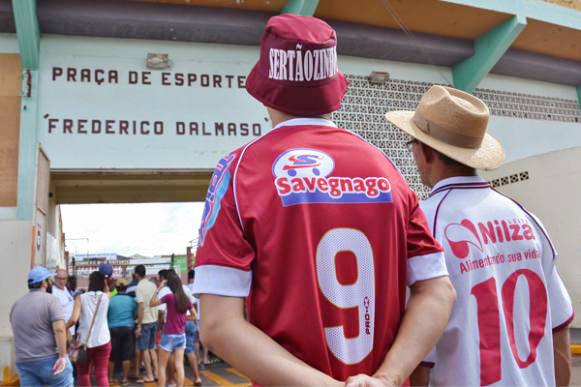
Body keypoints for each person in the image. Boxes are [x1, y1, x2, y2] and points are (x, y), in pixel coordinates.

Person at [193, 13, 456, 386]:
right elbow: (437, 290)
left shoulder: (238, 173)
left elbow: (218, 324)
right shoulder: (385, 168)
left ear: (265, 91)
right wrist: (386, 378)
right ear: (332, 88)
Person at [386, 85, 574, 386]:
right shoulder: (525, 217)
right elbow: (558, 328)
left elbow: (419, 354)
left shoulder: (424, 226)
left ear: (427, 151)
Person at [10, 266, 73, 387]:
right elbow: (59, 329)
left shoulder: (16, 305)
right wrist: (62, 356)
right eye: (49, 280)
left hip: (24, 361)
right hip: (48, 358)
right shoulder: (51, 300)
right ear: (44, 283)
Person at [150, 271, 196, 387]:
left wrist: (159, 288)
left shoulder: (169, 297)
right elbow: (194, 315)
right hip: (181, 336)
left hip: (169, 335)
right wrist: (183, 319)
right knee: (179, 365)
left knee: (162, 366)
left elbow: (151, 303)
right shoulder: (185, 298)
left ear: (170, 285)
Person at [66, 271, 112, 387]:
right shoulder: (106, 297)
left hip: (84, 343)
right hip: (103, 340)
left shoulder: (80, 298)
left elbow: (74, 320)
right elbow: (107, 289)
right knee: (102, 374)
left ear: (90, 282)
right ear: (102, 282)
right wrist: (104, 280)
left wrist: (63, 327)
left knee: (83, 373)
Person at [107, 278, 137, 386]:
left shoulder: (110, 300)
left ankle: (110, 378)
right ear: (126, 288)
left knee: (112, 355)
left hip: (112, 329)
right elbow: (135, 314)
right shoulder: (131, 300)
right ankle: (124, 379)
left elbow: (107, 314)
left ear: (116, 288)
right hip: (128, 328)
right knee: (126, 354)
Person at [134, 264, 158, 383]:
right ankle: (157, 372)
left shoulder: (139, 287)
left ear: (137, 274)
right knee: (152, 348)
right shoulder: (153, 285)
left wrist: (138, 324)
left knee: (144, 349)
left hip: (145, 322)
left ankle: (149, 375)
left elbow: (141, 306)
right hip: (154, 320)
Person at [53, 268, 75, 337]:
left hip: (70, 331)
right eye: (59, 278)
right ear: (55, 278)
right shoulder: (53, 292)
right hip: (62, 331)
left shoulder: (65, 289)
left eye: (64, 278)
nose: (61, 281)